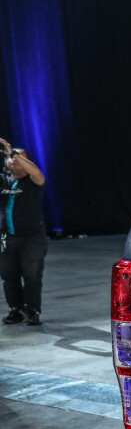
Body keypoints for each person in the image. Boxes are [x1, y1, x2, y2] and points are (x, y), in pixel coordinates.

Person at [1, 137, 47, 326]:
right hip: (6, 237)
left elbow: (36, 172)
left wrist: (12, 152)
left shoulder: (33, 180)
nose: (12, 159)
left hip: (32, 237)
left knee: (32, 275)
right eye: (9, 157)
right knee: (8, 275)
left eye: (19, 157)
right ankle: (16, 310)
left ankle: (32, 311)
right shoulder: (3, 179)